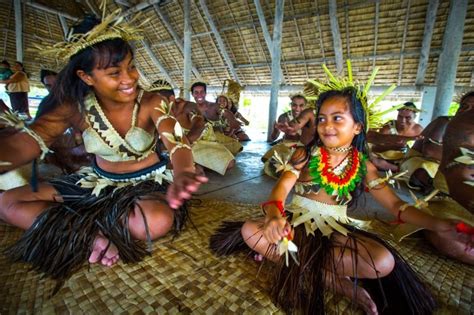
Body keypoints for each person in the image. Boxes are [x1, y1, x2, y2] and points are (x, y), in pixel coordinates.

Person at [210, 62, 472, 314]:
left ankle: (300, 266)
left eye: (337, 118)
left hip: (336, 232)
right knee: (249, 230)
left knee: (383, 261)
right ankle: (333, 280)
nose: (327, 126)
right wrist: (275, 216)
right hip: (295, 225)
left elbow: (396, 206)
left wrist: (439, 224)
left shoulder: (363, 166)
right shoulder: (304, 154)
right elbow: (280, 189)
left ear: (357, 126)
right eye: (322, 119)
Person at [0, 10, 207, 287]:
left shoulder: (152, 102)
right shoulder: (74, 107)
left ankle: (76, 226)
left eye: (131, 67)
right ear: (86, 77)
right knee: (7, 202)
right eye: (114, 72)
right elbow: (27, 143)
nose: (129, 78)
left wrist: (182, 172)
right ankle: (90, 236)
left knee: (155, 220)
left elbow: (177, 143)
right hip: (95, 184)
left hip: (146, 185)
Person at [150, 80, 235, 175]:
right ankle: (192, 164)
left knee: (229, 163)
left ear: (172, 99)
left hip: (201, 141)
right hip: (181, 144)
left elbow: (199, 125)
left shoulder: (188, 107)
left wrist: (179, 146)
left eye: (159, 102)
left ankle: (197, 164)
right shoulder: (157, 111)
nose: (156, 106)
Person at [368, 102, 423, 172]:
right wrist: (391, 147)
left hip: (406, 161)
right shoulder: (388, 127)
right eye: (400, 117)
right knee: (374, 160)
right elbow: (374, 148)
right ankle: (400, 170)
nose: (403, 121)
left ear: (414, 117)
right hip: (384, 160)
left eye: (408, 118)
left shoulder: (419, 130)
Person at [262, 94, 307, 178]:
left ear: (306, 106)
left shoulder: (309, 118)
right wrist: (275, 129)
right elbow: (273, 138)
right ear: (291, 105)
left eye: (301, 106)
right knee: (278, 165)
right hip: (286, 145)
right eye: (294, 105)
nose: (297, 109)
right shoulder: (284, 117)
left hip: (303, 146)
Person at [192, 82, 242, 155]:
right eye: (196, 92)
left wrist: (232, 121)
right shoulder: (191, 109)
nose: (199, 94)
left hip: (218, 141)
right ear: (192, 94)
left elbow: (226, 113)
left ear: (205, 93)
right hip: (199, 141)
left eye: (202, 92)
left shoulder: (214, 106)